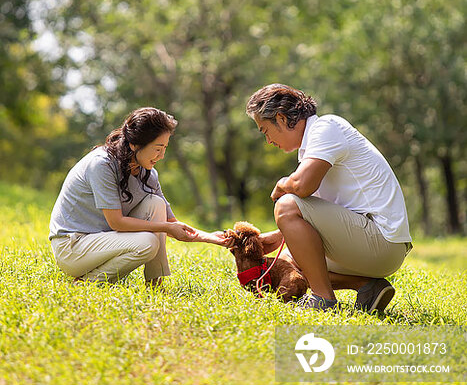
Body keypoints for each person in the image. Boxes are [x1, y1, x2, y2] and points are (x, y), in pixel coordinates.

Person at [246, 84, 413, 312]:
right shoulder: (310, 148)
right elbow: (315, 217)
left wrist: (282, 183)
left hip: (381, 241)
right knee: (290, 259)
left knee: (286, 205)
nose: (268, 141)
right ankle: (367, 286)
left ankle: (323, 299)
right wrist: (277, 237)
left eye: (265, 130)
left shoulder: (327, 127)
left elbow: (301, 187)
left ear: (282, 118)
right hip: (369, 243)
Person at [49, 107, 229, 285]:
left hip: (103, 241)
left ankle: (154, 283)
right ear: (134, 144)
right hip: (73, 247)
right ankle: (88, 282)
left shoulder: (147, 173)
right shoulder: (102, 164)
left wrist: (209, 237)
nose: (162, 155)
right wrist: (165, 227)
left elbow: (171, 223)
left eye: (165, 147)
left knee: (155, 204)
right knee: (147, 242)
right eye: (158, 148)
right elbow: (116, 222)